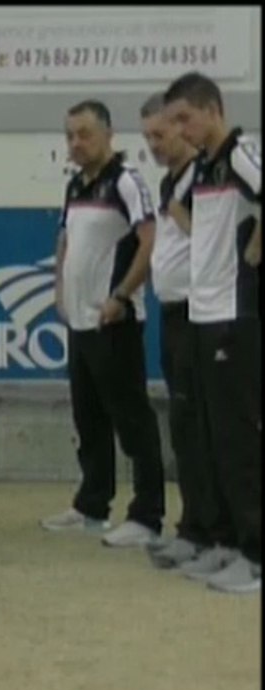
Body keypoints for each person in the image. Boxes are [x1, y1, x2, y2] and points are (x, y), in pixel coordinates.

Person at [40, 100, 167, 547]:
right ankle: (92, 505)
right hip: (78, 322)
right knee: (88, 418)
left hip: (114, 321)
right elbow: (64, 240)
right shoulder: (75, 185)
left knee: (131, 418)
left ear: (109, 134)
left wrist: (120, 295)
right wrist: (59, 292)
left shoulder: (127, 182)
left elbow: (150, 239)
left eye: (85, 134)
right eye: (70, 135)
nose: (76, 143)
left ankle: (148, 516)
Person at [163, 72, 261, 594]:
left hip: (232, 315)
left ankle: (257, 552)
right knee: (208, 437)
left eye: (185, 118)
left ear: (212, 110)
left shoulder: (242, 153)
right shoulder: (202, 168)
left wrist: (256, 246)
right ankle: (224, 541)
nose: (180, 129)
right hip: (200, 314)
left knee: (238, 439)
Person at [137, 92, 234, 569]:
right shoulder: (168, 181)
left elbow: (217, 238)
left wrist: (183, 217)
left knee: (208, 428)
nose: (155, 143)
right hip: (173, 313)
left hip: (207, 312)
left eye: (163, 132)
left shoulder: (209, 174)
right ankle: (194, 527)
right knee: (184, 425)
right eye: (149, 136)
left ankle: (219, 534)